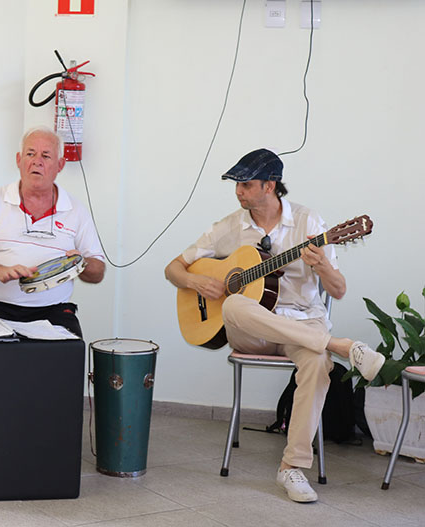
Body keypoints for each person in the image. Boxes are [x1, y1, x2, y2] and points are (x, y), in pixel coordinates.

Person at [164, 148, 385, 503]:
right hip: (253, 330)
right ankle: (341, 345)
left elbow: (339, 290)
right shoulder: (230, 226)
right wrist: (196, 282)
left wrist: (322, 265)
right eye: (236, 184)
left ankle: (291, 467)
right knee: (234, 304)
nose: (238, 191)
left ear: (270, 186)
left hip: (302, 321)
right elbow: (173, 268)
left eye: (246, 184)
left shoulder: (308, 223)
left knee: (317, 362)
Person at [0, 127, 105, 337]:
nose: (37, 162)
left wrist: (81, 263)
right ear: (19, 160)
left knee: (70, 348)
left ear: (60, 165)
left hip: (52, 311)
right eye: (30, 154)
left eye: (46, 156)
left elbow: (98, 272)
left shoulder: (76, 210)